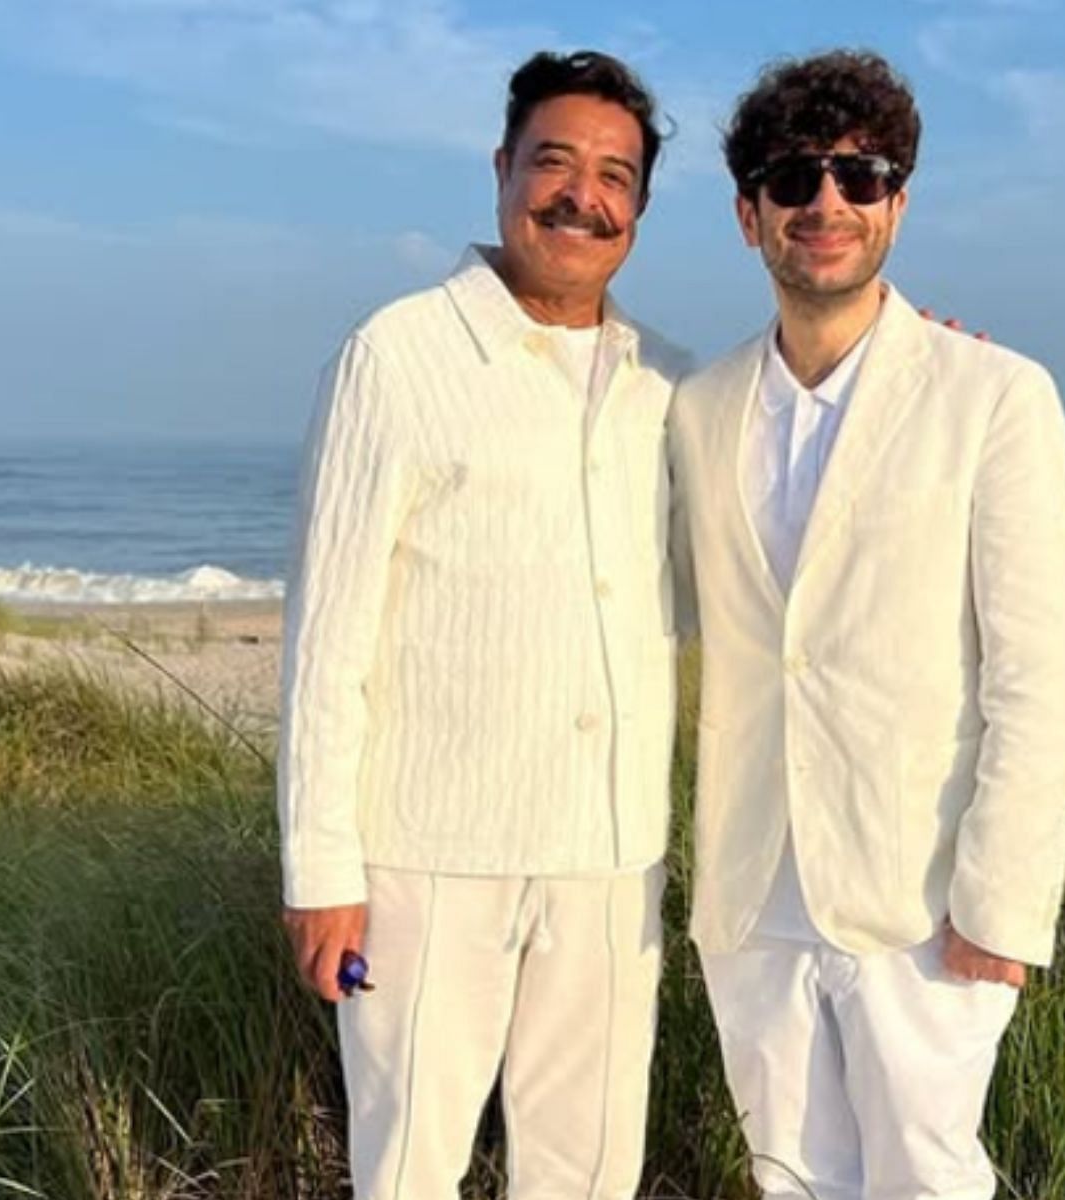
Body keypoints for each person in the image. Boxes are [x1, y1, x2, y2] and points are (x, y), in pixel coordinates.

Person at [667, 50, 1065, 1200]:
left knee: (928, 1181)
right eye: (794, 176)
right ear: (748, 212)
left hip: (922, 898)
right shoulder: (695, 412)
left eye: (860, 177)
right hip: (753, 893)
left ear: (899, 202)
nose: (827, 204)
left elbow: (1041, 676)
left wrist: (1000, 901)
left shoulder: (995, 397)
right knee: (788, 1181)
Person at [277, 49, 689, 1200]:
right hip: (427, 857)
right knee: (407, 1167)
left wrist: (910, 373)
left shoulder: (669, 382)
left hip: (611, 858)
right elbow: (328, 634)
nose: (582, 195)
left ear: (640, 209)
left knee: (592, 1171)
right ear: (503, 170)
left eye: (615, 176)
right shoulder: (397, 357)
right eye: (553, 161)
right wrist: (321, 871)